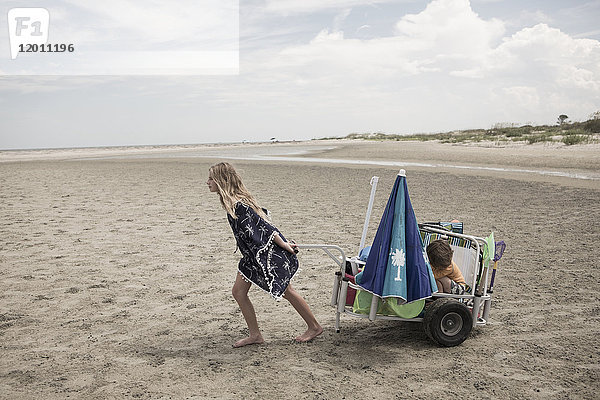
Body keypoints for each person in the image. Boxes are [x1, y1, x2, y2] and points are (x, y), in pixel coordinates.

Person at [207, 162, 323, 347]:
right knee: (238, 292)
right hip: (251, 258)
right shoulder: (233, 202)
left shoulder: (239, 206)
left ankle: (314, 326)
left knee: (287, 291)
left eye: (211, 178)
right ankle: (255, 335)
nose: (208, 182)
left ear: (222, 180)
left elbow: (265, 227)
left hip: (266, 256)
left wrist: (284, 244)